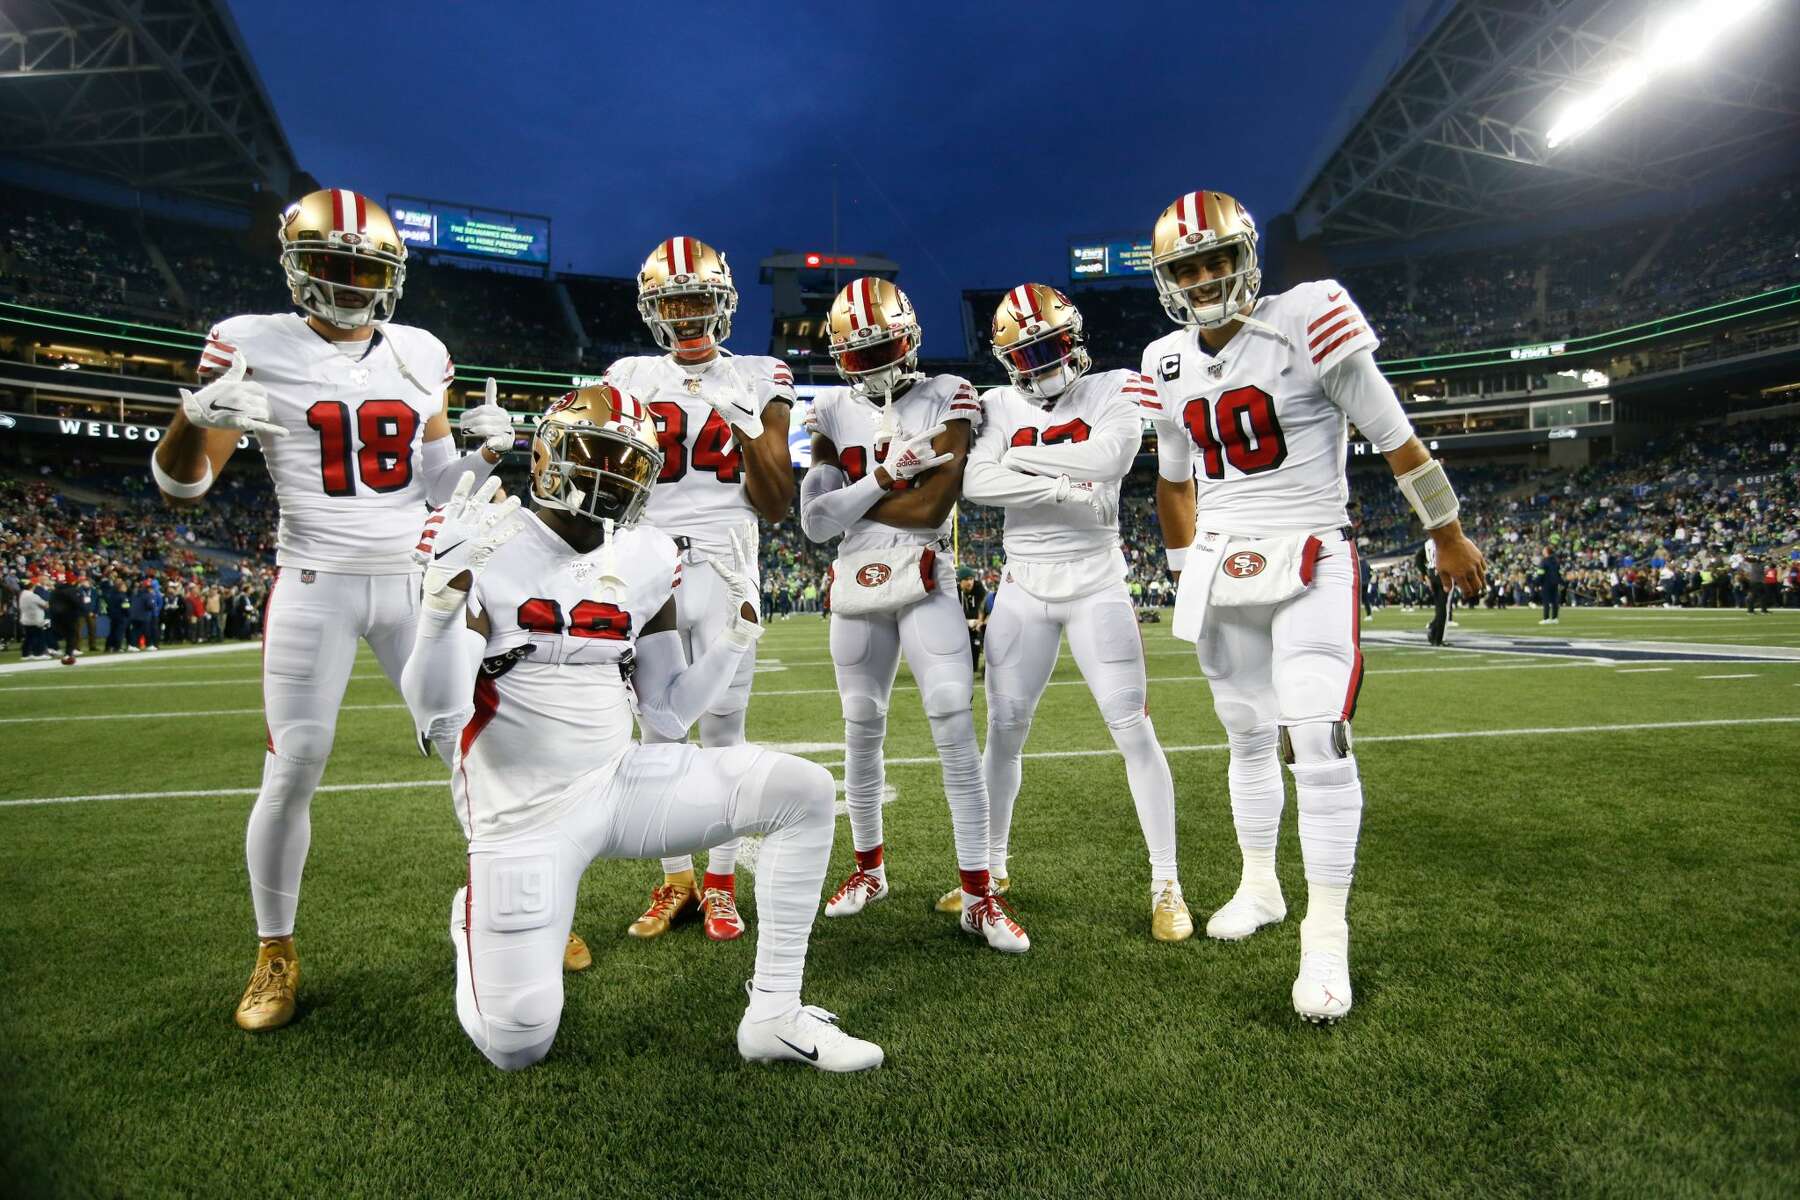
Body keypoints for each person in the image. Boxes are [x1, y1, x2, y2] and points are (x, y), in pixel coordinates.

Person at [400, 386, 881, 1073]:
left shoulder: (649, 555)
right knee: (518, 1043)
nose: (610, 475)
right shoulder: (486, 538)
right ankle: (471, 917)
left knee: (803, 791)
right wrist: (441, 606)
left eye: (629, 464)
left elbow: (664, 714)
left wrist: (736, 639)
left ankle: (775, 1014)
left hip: (618, 782)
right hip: (523, 811)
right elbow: (437, 716)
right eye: (595, 453)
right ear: (546, 453)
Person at [150, 187, 527, 1032]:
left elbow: (437, 484)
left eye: (369, 267)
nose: (354, 282)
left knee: (469, 744)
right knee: (294, 766)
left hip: (410, 581)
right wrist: (189, 417)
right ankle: (274, 951)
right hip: (314, 577)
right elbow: (184, 485)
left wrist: (482, 450)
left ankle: (511, 911)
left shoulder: (422, 352)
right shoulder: (250, 342)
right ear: (297, 267)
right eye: (335, 263)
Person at [1141, 188, 1485, 1022]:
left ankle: (1325, 936)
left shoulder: (1309, 316)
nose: (1207, 276)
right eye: (1189, 266)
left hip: (1311, 549)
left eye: (1219, 258)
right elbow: (1175, 480)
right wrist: (1188, 566)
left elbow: (1395, 434)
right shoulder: (1165, 360)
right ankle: (1260, 885)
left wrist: (1446, 531)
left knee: (1317, 737)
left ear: (1247, 256)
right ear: (1167, 278)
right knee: (1246, 736)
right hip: (1223, 565)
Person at [800, 276, 1028, 952]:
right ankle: (869, 871)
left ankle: (980, 896)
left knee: (953, 715)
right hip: (856, 578)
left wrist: (852, 500)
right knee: (860, 723)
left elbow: (934, 508)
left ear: (911, 340)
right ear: (842, 356)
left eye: (885, 349)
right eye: (860, 354)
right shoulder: (831, 407)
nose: (873, 365)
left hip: (924, 566)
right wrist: (888, 476)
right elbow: (813, 523)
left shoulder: (949, 392)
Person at [960, 284, 1189, 940]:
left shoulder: (1115, 385)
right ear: (1007, 357)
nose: (1043, 361)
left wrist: (1020, 458)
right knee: (1003, 730)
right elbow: (975, 482)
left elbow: (1113, 457)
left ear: (1075, 338)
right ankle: (991, 871)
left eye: (1052, 345)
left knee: (1132, 729)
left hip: (1097, 584)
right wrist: (1062, 482)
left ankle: (1166, 881)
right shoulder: (997, 403)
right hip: (1023, 587)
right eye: (1028, 351)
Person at [602, 237, 796, 944]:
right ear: (652, 309)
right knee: (657, 725)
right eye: (671, 303)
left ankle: (719, 883)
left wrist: (750, 426)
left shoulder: (762, 372)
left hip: (727, 564)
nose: (687, 317)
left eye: (699, 301)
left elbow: (776, 503)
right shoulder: (628, 373)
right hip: (647, 564)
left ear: (724, 303)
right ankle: (674, 877)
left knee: (723, 732)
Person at [957, 566, 988, 673]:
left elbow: (979, 610)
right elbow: (952, 612)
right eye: (966, 579)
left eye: (971, 579)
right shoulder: (955, 591)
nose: (970, 582)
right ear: (960, 581)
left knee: (975, 640)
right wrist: (966, 621)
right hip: (958, 624)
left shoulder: (979, 588)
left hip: (977, 622)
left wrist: (971, 621)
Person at [49, 574, 83, 666]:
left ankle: (54, 648)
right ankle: (68, 653)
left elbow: (50, 602)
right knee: (71, 635)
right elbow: (77, 602)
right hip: (69, 616)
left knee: (59, 633)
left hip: (56, 616)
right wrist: (83, 609)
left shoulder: (55, 591)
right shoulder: (72, 590)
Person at [18, 578, 48, 660]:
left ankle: (25, 654)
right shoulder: (33, 596)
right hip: (35, 619)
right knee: (38, 636)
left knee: (28, 637)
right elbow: (45, 605)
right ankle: (38, 653)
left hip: (26, 619)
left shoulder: (22, 594)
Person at [1539, 546, 1561, 624]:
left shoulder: (1544, 561)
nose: (1542, 551)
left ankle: (1546, 618)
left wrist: (1537, 583)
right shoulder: (1556, 561)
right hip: (1555, 583)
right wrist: (1560, 582)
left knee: (1546, 601)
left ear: (1547, 552)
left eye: (1544, 550)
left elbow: (1540, 573)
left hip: (1546, 583)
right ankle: (1555, 618)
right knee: (1554, 601)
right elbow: (1559, 573)